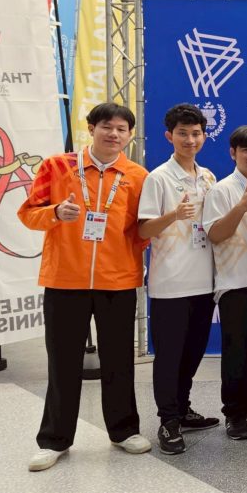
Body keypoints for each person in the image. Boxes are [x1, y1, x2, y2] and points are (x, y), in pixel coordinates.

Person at [19, 102, 152, 471]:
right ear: (91, 128)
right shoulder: (56, 166)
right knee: (62, 362)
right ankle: (53, 440)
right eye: (107, 126)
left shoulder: (137, 176)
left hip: (117, 281)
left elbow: (141, 231)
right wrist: (55, 213)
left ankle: (124, 431)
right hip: (65, 279)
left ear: (129, 135)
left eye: (122, 129)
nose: (114, 134)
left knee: (119, 360)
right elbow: (28, 214)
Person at [138, 103, 220, 455]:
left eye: (196, 133)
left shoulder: (209, 177)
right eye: (183, 133)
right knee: (169, 357)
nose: (190, 140)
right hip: (171, 283)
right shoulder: (158, 178)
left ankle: (183, 409)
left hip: (205, 281)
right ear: (169, 136)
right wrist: (173, 215)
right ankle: (168, 421)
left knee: (193, 352)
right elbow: (144, 229)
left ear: (204, 136)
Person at [202, 126, 247, 440]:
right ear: (233, 153)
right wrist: (241, 208)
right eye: (246, 150)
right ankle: (233, 413)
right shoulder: (221, 190)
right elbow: (215, 234)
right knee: (237, 351)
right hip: (235, 283)